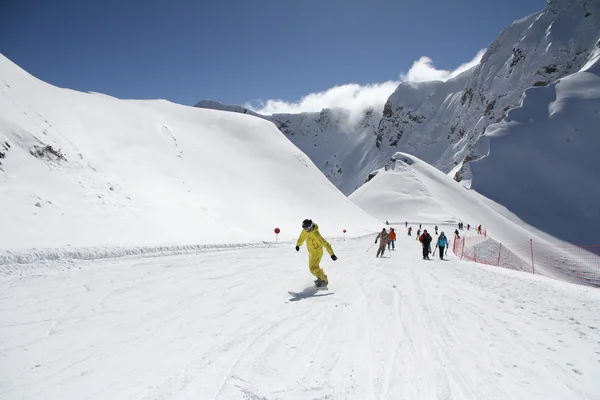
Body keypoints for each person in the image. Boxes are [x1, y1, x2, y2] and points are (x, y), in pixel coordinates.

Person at [296, 219, 337, 289]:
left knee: (313, 268)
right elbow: (302, 237)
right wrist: (298, 245)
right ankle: (320, 278)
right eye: (304, 228)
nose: (305, 229)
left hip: (317, 253)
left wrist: (332, 254)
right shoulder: (305, 231)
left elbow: (325, 244)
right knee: (314, 267)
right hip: (311, 252)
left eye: (306, 228)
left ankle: (324, 280)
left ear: (311, 226)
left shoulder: (316, 234)